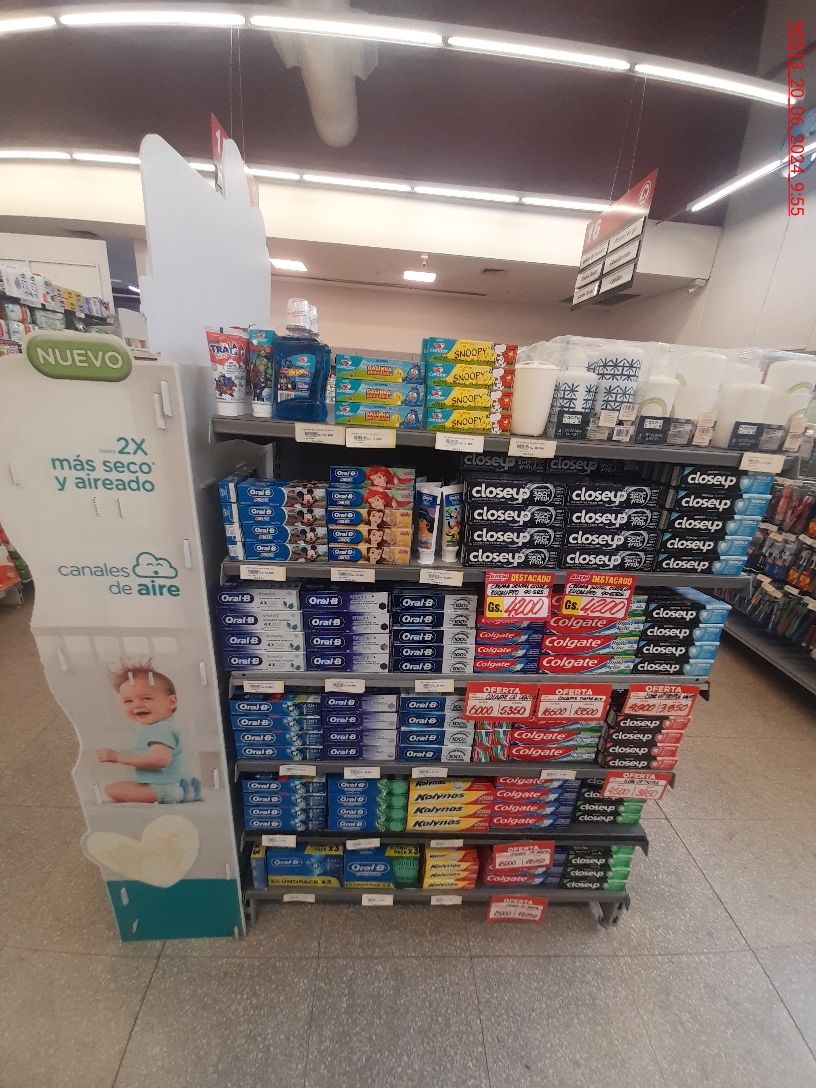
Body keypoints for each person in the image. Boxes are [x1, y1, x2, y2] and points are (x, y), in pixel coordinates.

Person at [96, 661, 200, 804]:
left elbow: (160, 760)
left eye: (146, 698)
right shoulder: (160, 726)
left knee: (111, 790)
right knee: (121, 787)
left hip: (165, 788)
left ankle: (169, 796)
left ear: (171, 702)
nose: (137, 705)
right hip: (179, 785)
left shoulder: (158, 729)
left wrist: (117, 757)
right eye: (128, 701)